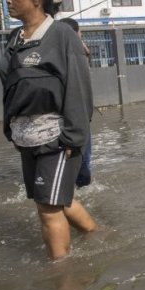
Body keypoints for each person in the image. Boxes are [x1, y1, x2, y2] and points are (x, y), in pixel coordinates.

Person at [0, 0, 97, 259]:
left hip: (56, 138)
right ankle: (97, 234)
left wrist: (73, 137)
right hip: (25, 137)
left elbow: (78, 89)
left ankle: (62, 280)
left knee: (48, 209)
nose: (7, 0)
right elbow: (10, 88)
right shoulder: (15, 39)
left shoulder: (61, 35)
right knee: (53, 199)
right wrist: (10, 129)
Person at [59, 17, 92, 188]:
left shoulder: (59, 51)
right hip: (76, 119)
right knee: (82, 166)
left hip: (74, 118)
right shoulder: (73, 54)